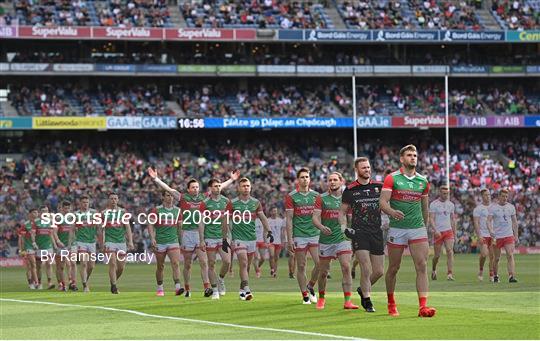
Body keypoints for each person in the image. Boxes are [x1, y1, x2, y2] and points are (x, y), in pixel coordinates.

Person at [147, 167, 239, 297]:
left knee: (204, 262)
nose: (196, 189)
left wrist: (231, 179)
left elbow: (218, 187)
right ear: (189, 189)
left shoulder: (204, 197)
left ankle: (207, 287)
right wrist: (156, 179)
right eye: (193, 187)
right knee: (188, 264)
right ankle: (187, 288)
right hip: (187, 233)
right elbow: (168, 189)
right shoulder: (183, 198)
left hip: (200, 233)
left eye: (197, 187)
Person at [380, 144, 436, 318]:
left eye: (415, 155)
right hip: (397, 229)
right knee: (394, 268)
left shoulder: (423, 181)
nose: (413, 158)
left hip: (417, 228)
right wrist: (391, 212)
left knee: (422, 266)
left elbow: (425, 207)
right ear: (402, 159)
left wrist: (424, 227)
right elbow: (382, 202)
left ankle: (423, 307)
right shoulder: (392, 178)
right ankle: (391, 302)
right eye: (410, 155)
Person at [340, 157, 384, 312]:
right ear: (356, 170)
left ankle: (362, 289)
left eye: (368, 167)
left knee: (378, 271)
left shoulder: (379, 186)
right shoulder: (350, 189)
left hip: (377, 232)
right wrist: (343, 228)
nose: (367, 170)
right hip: (359, 232)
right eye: (364, 167)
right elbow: (342, 212)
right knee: (366, 268)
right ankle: (367, 300)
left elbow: (387, 204)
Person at [313, 172, 358, 310]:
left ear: (341, 181)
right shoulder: (321, 198)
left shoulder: (348, 198)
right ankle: (321, 298)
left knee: (346, 267)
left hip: (342, 238)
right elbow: (315, 217)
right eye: (330, 180)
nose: (332, 182)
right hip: (326, 239)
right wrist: (321, 227)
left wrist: (354, 234)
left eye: (335, 180)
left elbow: (351, 218)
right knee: (323, 272)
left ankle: (348, 301)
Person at [223, 178, 273, 300]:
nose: (246, 187)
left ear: (250, 187)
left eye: (248, 186)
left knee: (247, 266)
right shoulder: (232, 203)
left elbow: (263, 217)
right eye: (243, 186)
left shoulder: (256, 203)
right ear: (238, 188)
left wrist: (269, 231)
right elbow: (225, 220)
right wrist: (225, 238)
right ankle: (247, 289)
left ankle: (241, 290)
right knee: (244, 263)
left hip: (251, 238)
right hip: (238, 238)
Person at [285, 168, 320, 304]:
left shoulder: (316, 196)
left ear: (310, 179)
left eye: (307, 177)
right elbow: (289, 219)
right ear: (298, 180)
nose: (305, 179)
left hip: (315, 234)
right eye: (302, 177)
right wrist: (289, 240)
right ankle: (304, 294)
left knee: (320, 263)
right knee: (301, 266)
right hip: (299, 235)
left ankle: (310, 285)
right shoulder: (291, 196)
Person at [198, 178, 232, 299]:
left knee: (227, 262)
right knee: (211, 264)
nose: (218, 188)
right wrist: (201, 239)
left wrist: (231, 236)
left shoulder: (226, 201)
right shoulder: (205, 203)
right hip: (210, 237)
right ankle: (215, 290)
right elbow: (201, 222)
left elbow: (229, 220)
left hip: (223, 237)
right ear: (210, 188)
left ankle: (221, 279)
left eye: (219, 186)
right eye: (215, 186)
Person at [147, 191, 183, 296]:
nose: (170, 197)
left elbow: (180, 227)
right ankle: (160, 288)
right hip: (160, 242)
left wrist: (181, 240)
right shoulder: (156, 210)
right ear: (163, 197)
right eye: (168, 195)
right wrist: (152, 238)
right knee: (160, 266)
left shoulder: (177, 211)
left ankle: (177, 288)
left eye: (172, 195)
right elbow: (150, 224)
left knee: (176, 264)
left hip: (173, 241)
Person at [99, 192, 134, 294]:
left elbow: (127, 227)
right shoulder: (104, 213)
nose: (113, 200)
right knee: (113, 264)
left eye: (115, 199)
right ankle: (114, 287)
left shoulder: (123, 212)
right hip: (110, 241)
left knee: (121, 267)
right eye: (111, 199)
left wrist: (130, 241)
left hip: (121, 242)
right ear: (108, 200)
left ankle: (112, 281)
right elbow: (101, 230)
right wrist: (102, 243)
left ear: (118, 200)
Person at [488, 189, 519, 283]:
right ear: (499, 197)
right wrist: (490, 230)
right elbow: (488, 220)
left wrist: (516, 235)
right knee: (496, 258)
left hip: (508, 235)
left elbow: (514, 221)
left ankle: (511, 276)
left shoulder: (511, 207)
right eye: (503, 196)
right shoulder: (493, 208)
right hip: (497, 236)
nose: (505, 198)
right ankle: (496, 275)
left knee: (510, 255)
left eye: (506, 196)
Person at [429, 185, 457, 281]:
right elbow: (431, 218)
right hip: (438, 232)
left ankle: (449, 274)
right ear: (440, 193)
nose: (446, 195)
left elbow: (453, 220)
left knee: (450, 251)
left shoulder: (451, 205)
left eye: (447, 194)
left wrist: (455, 233)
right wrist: (435, 230)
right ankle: (433, 270)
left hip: (448, 231)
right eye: (444, 193)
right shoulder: (434, 204)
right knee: (437, 256)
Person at [74, 194, 99, 292]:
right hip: (81, 241)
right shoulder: (76, 214)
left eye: (87, 202)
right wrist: (70, 242)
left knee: (91, 266)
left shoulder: (94, 213)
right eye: (83, 202)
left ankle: (85, 279)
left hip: (92, 242)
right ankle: (85, 285)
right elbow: (73, 229)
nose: (85, 204)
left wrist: (101, 239)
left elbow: (99, 227)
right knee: (83, 263)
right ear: (80, 203)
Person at [53, 200, 78, 291]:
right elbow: (54, 231)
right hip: (62, 245)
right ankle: (63, 284)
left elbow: (77, 229)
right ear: (62, 208)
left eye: (69, 208)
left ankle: (73, 283)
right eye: (65, 208)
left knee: (73, 263)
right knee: (61, 266)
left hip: (72, 244)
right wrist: (58, 241)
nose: (67, 210)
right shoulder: (58, 218)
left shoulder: (73, 217)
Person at [473, 189, 496, 282]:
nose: (488, 196)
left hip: (493, 235)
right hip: (483, 234)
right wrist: (479, 236)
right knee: (484, 254)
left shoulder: (494, 207)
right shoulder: (478, 209)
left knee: (492, 256)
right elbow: (476, 222)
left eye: (489, 195)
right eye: (486, 195)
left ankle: (491, 274)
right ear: (482, 196)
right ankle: (481, 270)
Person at [35, 205, 57, 290]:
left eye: (47, 211)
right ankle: (39, 282)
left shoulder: (50, 222)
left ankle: (49, 282)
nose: (45, 212)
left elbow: (51, 234)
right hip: (39, 247)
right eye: (43, 211)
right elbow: (33, 235)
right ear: (40, 212)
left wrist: (54, 244)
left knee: (49, 263)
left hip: (48, 246)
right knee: (39, 266)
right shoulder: (36, 222)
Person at [19, 208, 39, 289]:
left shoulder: (39, 223)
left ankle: (33, 281)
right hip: (28, 246)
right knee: (31, 265)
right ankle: (34, 283)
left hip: (38, 246)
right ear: (30, 214)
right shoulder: (25, 224)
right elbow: (22, 238)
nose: (36, 214)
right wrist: (22, 249)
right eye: (34, 212)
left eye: (37, 212)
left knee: (35, 265)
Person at [267, 207, 286, 278]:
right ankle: (272, 268)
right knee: (271, 255)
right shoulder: (268, 220)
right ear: (270, 212)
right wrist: (266, 240)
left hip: (278, 241)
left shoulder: (281, 221)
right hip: (270, 241)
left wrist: (283, 241)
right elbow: (265, 231)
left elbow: (282, 232)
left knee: (276, 257)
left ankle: (275, 272)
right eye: (273, 211)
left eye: (276, 211)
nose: (275, 212)